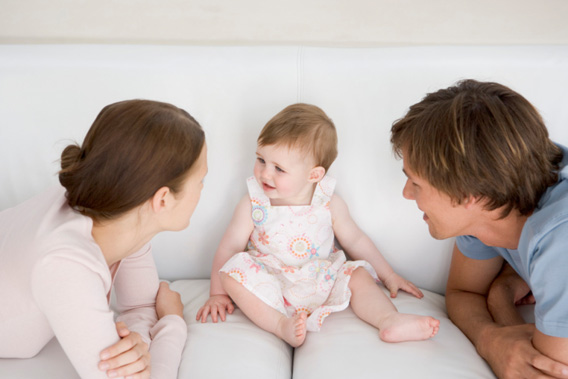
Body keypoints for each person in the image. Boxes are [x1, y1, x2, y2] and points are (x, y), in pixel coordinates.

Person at [196, 103, 439, 347]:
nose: (265, 173)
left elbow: (356, 241)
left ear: (314, 175)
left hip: (321, 279)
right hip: (270, 284)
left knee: (358, 274)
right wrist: (217, 294)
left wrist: (389, 275)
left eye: (279, 168)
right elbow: (229, 248)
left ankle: (389, 319)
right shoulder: (253, 204)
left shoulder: (329, 203)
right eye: (261, 160)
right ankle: (280, 324)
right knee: (232, 270)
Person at [0, 100, 207, 378]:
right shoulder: (64, 265)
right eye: (201, 180)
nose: (203, 189)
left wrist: (138, 349)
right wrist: (172, 322)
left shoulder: (118, 212)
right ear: (163, 199)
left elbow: (140, 307)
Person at [390, 79, 568, 378]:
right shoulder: (495, 202)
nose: (407, 194)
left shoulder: (559, 241)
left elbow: (547, 372)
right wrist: (490, 337)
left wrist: (501, 303)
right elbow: (463, 291)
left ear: (470, 194)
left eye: (416, 183)